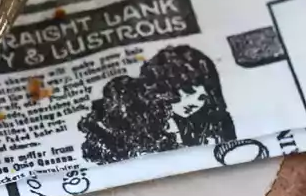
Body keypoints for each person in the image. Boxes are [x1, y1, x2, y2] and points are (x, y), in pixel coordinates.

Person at [79, 45, 236, 164]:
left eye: (202, 98)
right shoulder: (137, 114)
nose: (193, 103)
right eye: (186, 93)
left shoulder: (203, 121)